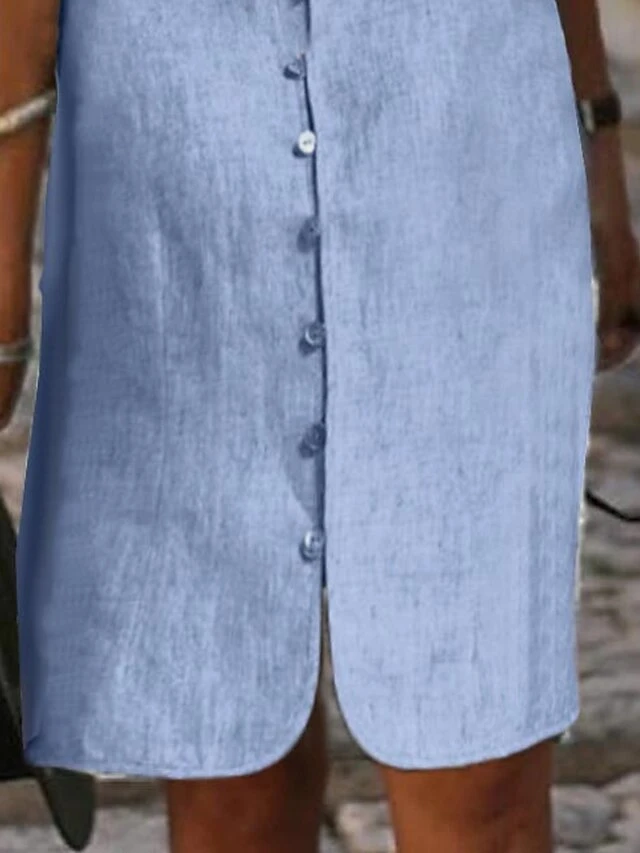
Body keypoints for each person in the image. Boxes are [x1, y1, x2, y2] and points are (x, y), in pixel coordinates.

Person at [1, 1, 639, 852]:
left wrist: (595, 136)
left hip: (465, 123)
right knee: (229, 770)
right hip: (174, 168)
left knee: (482, 776)